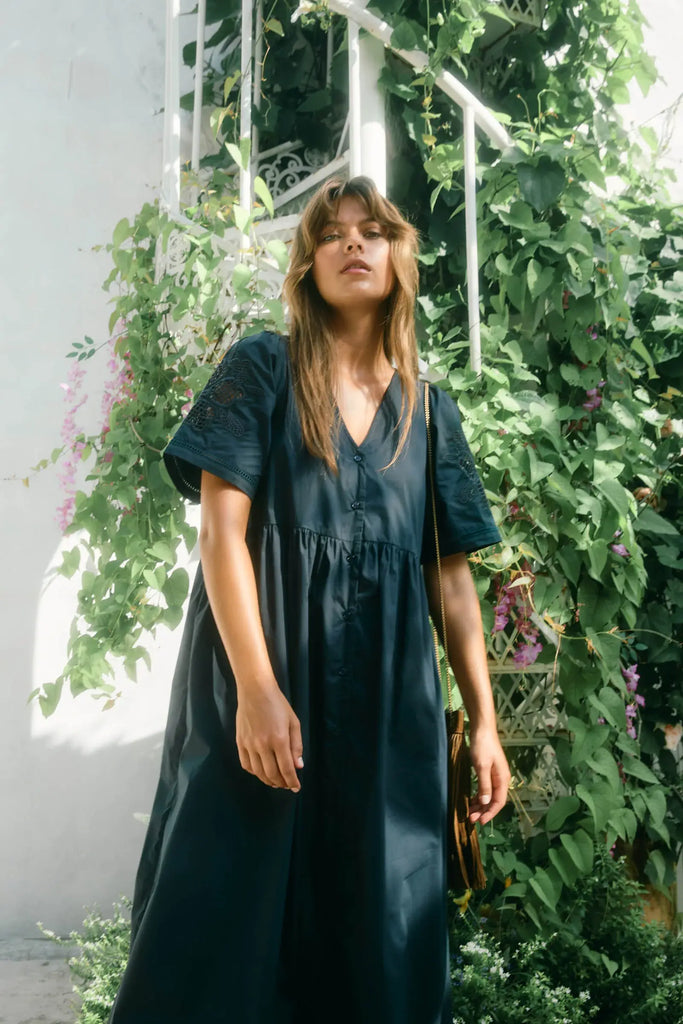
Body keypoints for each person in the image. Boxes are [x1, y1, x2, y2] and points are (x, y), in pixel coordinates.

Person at [108, 175, 510, 1024]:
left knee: (380, 930)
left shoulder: (430, 415)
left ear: (398, 257)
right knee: (224, 924)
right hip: (263, 690)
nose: (353, 243)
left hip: (387, 710)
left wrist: (484, 723)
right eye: (331, 233)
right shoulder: (261, 368)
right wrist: (255, 693)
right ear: (306, 263)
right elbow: (221, 537)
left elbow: (450, 579)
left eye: (372, 231)